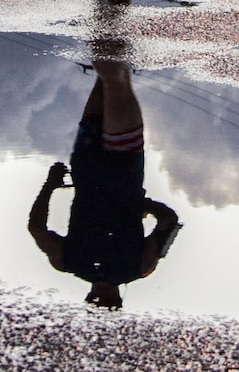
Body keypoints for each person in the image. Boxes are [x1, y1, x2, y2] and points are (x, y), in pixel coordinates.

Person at [26, 54, 182, 308]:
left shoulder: (141, 267)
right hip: (87, 165)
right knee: (108, 74)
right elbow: (36, 228)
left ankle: (112, 26)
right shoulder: (67, 263)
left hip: (124, 166)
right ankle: (111, 27)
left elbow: (169, 220)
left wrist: (140, 204)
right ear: (89, 297)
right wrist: (50, 184)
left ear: (118, 299)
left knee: (114, 76)